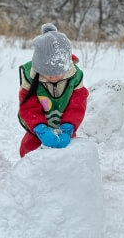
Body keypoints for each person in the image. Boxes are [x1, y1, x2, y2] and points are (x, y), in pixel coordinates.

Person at [17, 23, 89, 158]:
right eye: (48, 73)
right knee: (29, 150)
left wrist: (68, 127)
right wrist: (40, 129)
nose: (53, 77)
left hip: (65, 126)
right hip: (38, 127)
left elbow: (77, 106)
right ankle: (28, 175)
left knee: (67, 155)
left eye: (57, 73)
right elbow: (28, 106)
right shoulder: (31, 78)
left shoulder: (74, 78)